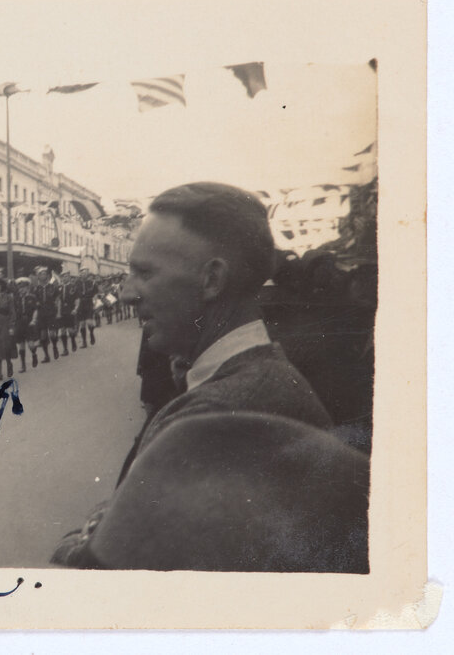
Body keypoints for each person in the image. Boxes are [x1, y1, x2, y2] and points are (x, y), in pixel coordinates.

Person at [53, 182, 337, 568]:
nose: (126, 294)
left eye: (145, 273)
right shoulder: (262, 378)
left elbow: (95, 574)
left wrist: (85, 534)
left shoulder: (211, 417)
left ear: (211, 280)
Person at [33, 267, 60, 363]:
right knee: (43, 336)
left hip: (51, 312)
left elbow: (58, 300)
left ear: (47, 275)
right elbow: (34, 301)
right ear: (38, 277)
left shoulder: (52, 287)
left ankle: (55, 346)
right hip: (41, 314)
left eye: (44, 273)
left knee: (52, 333)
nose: (42, 275)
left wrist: (58, 312)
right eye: (40, 274)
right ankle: (46, 356)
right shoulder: (36, 289)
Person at [13, 276, 40, 373]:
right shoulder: (16, 299)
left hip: (29, 322)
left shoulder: (32, 297)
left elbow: (35, 310)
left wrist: (33, 320)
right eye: (20, 288)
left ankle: (34, 354)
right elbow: (14, 312)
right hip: (20, 322)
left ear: (27, 288)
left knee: (31, 345)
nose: (21, 290)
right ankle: (23, 365)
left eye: (23, 287)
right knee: (21, 344)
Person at [75, 267, 98, 348]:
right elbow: (74, 294)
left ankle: (91, 334)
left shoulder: (91, 283)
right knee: (82, 324)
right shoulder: (76, 283)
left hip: (88, 303)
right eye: (81, 273)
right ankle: (84, 342)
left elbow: (95, 294)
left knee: (89, 322)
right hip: (80, 303)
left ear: (87, 274)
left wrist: (95, 302)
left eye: (84, 273)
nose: (82, 274)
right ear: (79, 274)